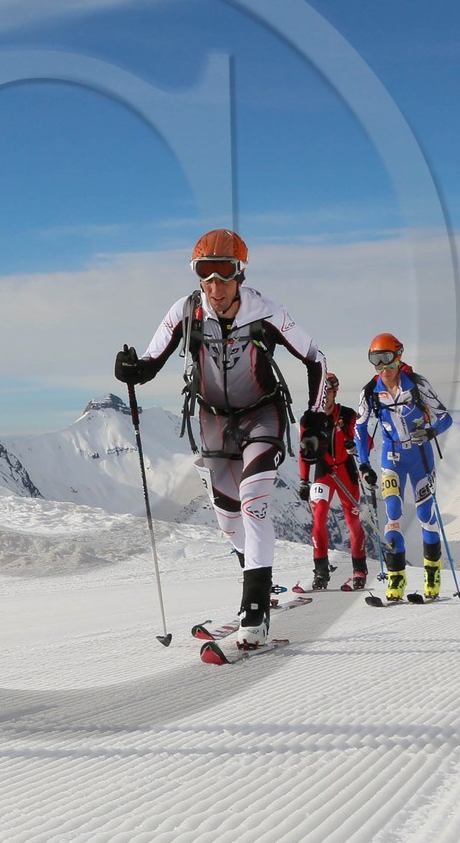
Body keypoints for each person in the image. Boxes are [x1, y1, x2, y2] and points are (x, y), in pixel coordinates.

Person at [115, 229, 327, 651]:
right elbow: (150, 362)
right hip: (212, 420)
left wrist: (316, 420)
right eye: (204, 275)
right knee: (229, 521)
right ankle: (260, 588)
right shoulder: (185, 311)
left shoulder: (267, 312)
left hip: (262, 415)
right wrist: (130, 369)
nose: (214, 286)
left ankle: (255, 613)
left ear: (240, 274)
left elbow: (315, 359)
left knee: (254, 505)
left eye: (223, 274)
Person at [354, 334, 454, 602]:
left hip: (420, 457)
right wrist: (364, 464)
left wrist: (431, 431)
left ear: (398, 357)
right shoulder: (369, 392)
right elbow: (360, 429)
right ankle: (396, 578)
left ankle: (432, 573)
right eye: (375, 361)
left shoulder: (418, 385)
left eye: (386, 360)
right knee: (393, 512)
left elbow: (446, 418)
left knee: (425, 513)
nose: (382, 368)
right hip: (392, 456)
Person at [296, 373, 368, 591]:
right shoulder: (308, 418)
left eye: (326, 392)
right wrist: (303, 480)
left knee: (352, 521)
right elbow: (304, 450)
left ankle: (359, 569)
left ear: (334, 392)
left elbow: (366, 442)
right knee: (318, 520)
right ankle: (320, 571)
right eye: (319, 392)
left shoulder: (347, 414)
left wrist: (354, 446)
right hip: (323, 472)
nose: (322, 396)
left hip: (346, 470)